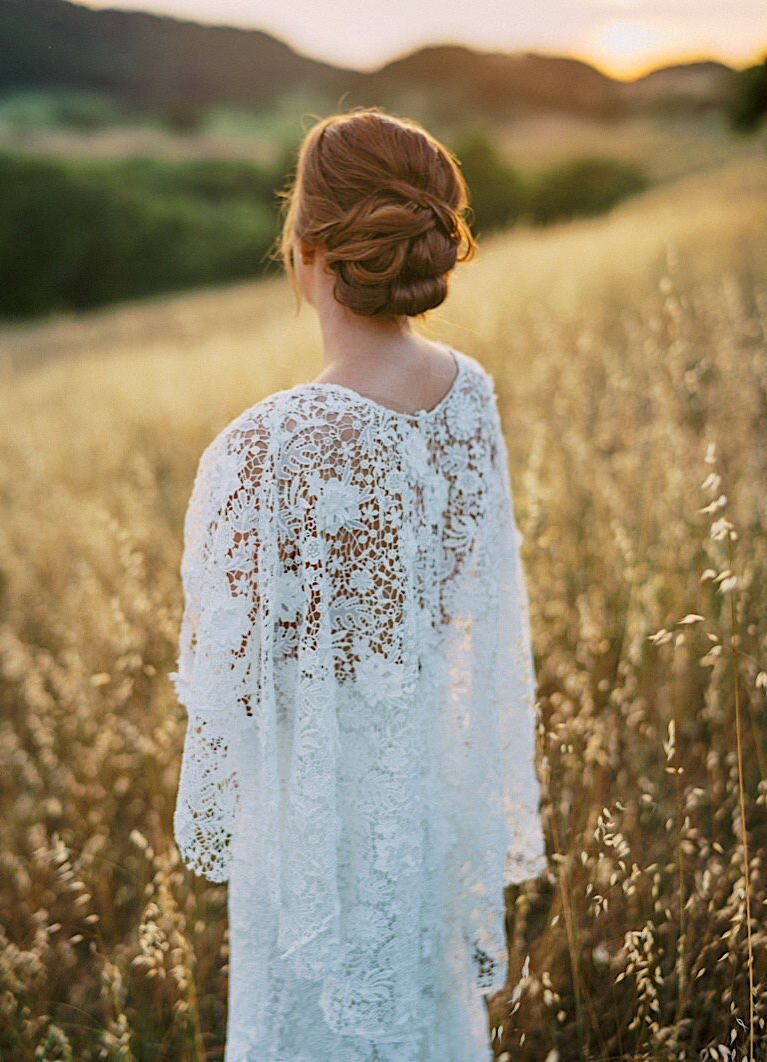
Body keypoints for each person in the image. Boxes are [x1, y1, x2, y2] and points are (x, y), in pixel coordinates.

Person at [171, 109, 546, 1060]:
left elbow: (232, 696)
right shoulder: (471, 397)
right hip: (423, 791)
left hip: (315, 822)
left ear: (308, 250)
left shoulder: (261, 448)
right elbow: (466, 601)